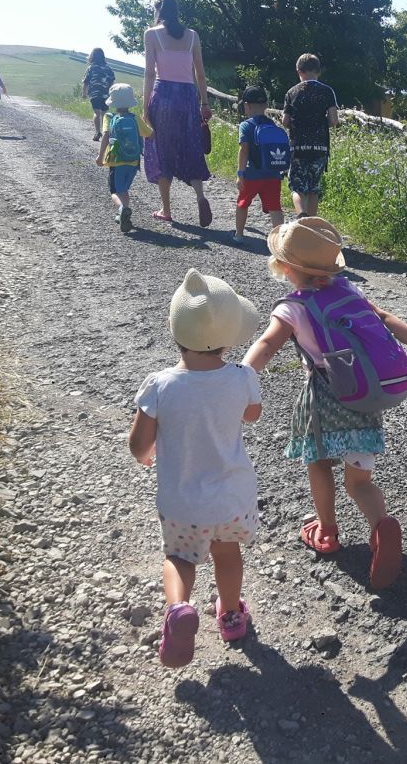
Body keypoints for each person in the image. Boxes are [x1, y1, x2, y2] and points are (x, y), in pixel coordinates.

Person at [242, 217, 407, 590]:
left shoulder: (293, 307)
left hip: (326, 397)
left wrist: (242, 374)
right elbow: (384, 318)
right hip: (364, 395)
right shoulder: (347, 288)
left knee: (319, 463)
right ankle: (381, 524)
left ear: (285, 267)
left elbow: (268, 344)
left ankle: (327, 530)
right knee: (359, 481)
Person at [128, 269, 261, 668]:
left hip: (182, 503)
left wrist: (147, 453)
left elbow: (138, 445)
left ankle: (178, 609)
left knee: (180, 558)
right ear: (230, 337)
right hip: (231, 499)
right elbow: (252, 415)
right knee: (227, 554)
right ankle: (231, 616)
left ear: (174, 329)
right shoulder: (242, 378)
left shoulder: (160, 385)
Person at [141, 0, 213, 227]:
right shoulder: (192, 36)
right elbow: (200, 73)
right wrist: (204, 103)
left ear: (158, 11)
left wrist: (145, 107)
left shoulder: (151, 35)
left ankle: (167, 209)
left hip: (163, 95)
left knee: (161, 149)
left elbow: (149, 73)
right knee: (191, 146)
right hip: (187, 97)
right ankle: (200, 196)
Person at [282, 53, 338, 217]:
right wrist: (320, 124)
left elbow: (285, 121)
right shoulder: (327, 91)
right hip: (320, 146)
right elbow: (333, 120)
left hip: (298, 146)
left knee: (297, 187)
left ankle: (301, 214)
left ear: (299, 71)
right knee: (314, 188)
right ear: (318, 71)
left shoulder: (291, 92)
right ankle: (312, 223)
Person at [95, 83, 153, 233]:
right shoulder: (135, 118)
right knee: (124, 189)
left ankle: (122, 209)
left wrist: (100, 156)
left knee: (115, 191)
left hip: (116, 161)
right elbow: (150, 134)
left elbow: (105, 137)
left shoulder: (109, 117)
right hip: (133, 162)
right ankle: (123, 214)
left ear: (113, 102)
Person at [232, 85, 286, 245]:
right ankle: (280, 242)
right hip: (272, 174)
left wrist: (240, 174)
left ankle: (239, 235)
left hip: (251, 174)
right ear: (266, 105)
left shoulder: (246, 125)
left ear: (247, 106)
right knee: (275, 208)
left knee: (242, 204)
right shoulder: (273, 125)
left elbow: (244, 150)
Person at [81, 48, 116, 141]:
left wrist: (84, 93)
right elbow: (112, 81)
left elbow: (86, 82)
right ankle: (106, 133)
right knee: (105, 114)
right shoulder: (108, 68)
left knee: (97, 113)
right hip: (106, 94)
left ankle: (97, 132)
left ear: (92, 56)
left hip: (95, 94)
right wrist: (111, 92)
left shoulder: (91, 68)